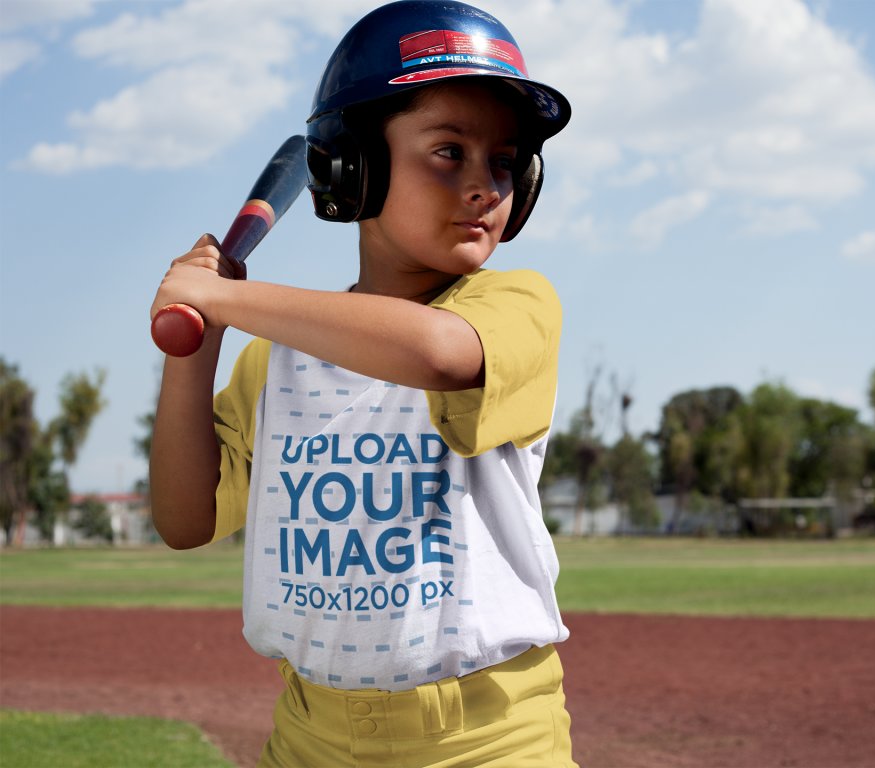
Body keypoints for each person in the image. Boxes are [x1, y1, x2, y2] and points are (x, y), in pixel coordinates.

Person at [148, 1, 576, 765]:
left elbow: (439, 354)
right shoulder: (274, 358)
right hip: (310, 734)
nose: (486, 185)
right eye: (449, 152)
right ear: (353, 168)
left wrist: (229, 297)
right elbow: (186, 520)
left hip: (486, 739)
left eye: (505, 160)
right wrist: (197, 345)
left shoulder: (515, 305)